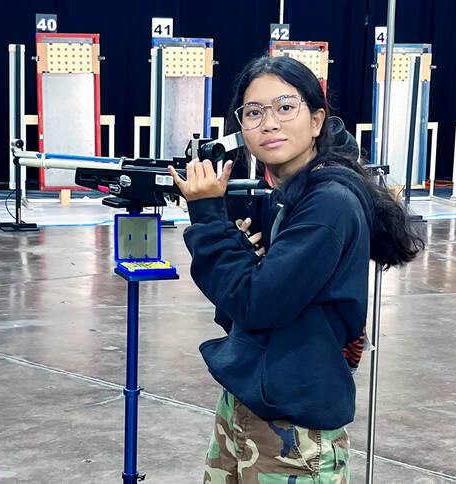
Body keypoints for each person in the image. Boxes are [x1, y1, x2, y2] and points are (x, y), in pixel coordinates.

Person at [167, 55, 424, 483]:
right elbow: (245, 301)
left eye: (286, 107)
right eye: (254, 112)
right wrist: (243, 252)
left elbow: (257, 303)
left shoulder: (329, 204)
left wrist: (209, 221)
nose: (269, 123)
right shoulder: (294, 195)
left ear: (318, 119)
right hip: (251, 401)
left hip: (293, 429)